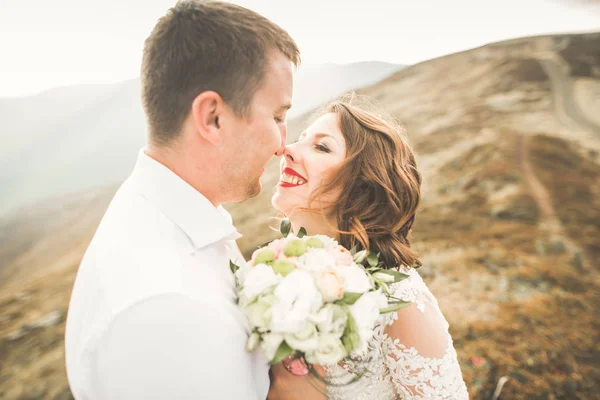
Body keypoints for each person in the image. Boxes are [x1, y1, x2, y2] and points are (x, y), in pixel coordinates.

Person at [64, 1, 299, 399]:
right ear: (212, 118)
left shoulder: (170, 217)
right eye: (277, 116)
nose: (283, 143)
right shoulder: (168, 307)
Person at [267, 98, 469, 399]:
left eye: (322, 147)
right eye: (300, 140)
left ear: (362, 185)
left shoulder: (399, 302)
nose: (288, 150)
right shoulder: (277, 267)